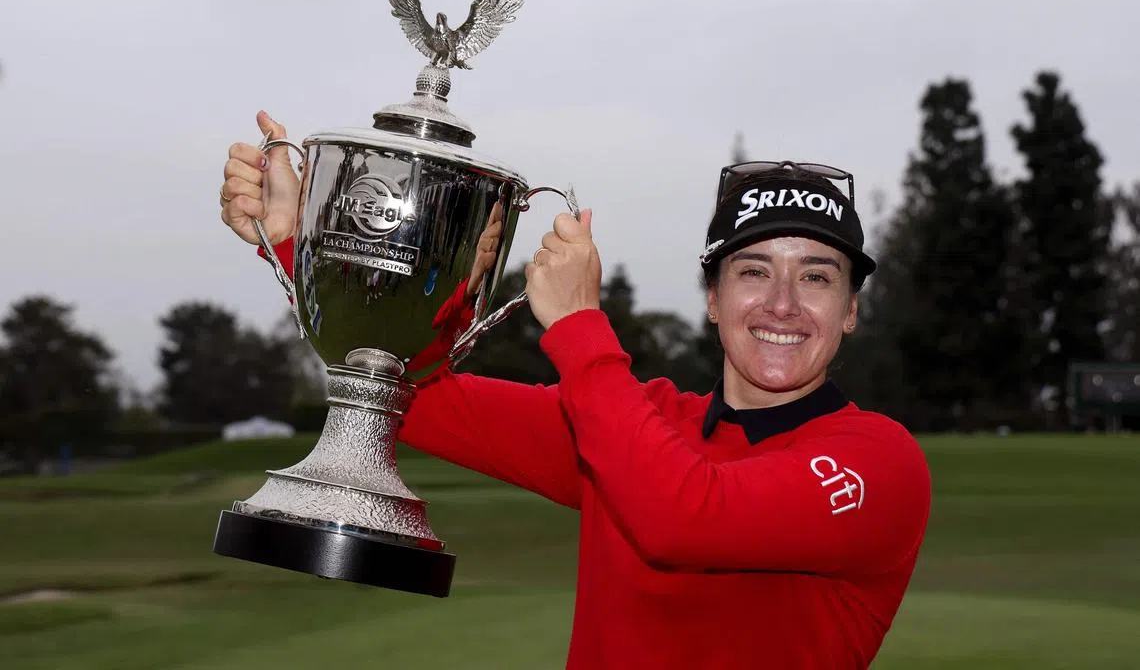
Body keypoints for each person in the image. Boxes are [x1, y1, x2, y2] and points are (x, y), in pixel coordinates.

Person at [219, 111, 932, 669]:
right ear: (714, 300)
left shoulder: (877, 460)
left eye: (816, 277)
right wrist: (297, 243)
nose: (782, 303)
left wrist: (578, 325)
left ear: (851, 310)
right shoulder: (637, 424)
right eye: (753, 271)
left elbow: (683, 517)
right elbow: (411, 396)